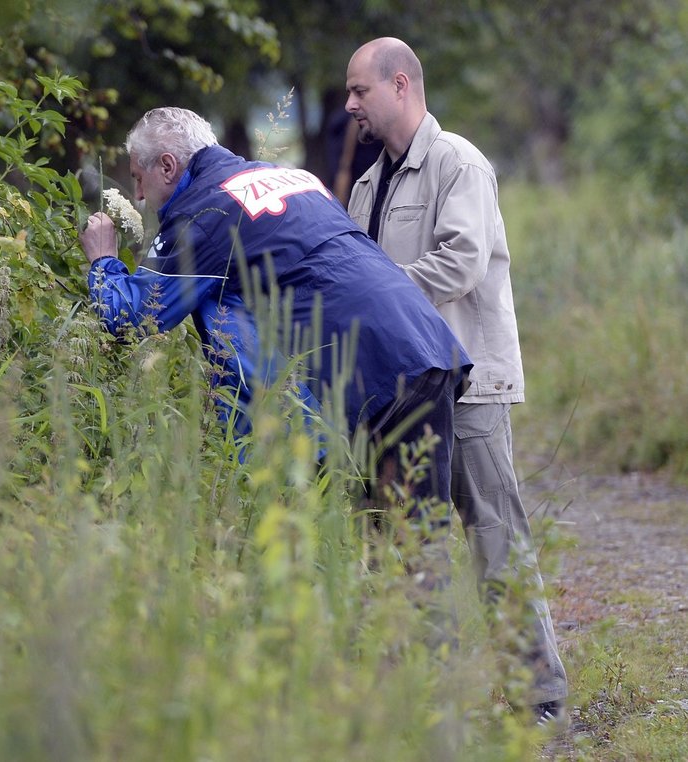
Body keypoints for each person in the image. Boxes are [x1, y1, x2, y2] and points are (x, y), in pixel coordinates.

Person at [79, 106, 472, 520]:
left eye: (139, 180)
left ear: (168, 166)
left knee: (383, 541)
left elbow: (134, 317)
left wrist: (103, 260)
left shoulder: (205, 212)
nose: (139, 196)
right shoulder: (293, 177)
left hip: (367, 374)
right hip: (427, 347)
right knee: (411, 543)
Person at [343, 37, 569, 726]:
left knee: (495, 535)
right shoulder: (362, 184)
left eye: (360, 90)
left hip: (466, 388)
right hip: (399, 395)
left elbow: (462, 263)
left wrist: (375, 290)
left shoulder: (458, 164)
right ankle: (420, 698)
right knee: (404, 542)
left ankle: (540, 698)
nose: (349, 103)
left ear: (401, 84)